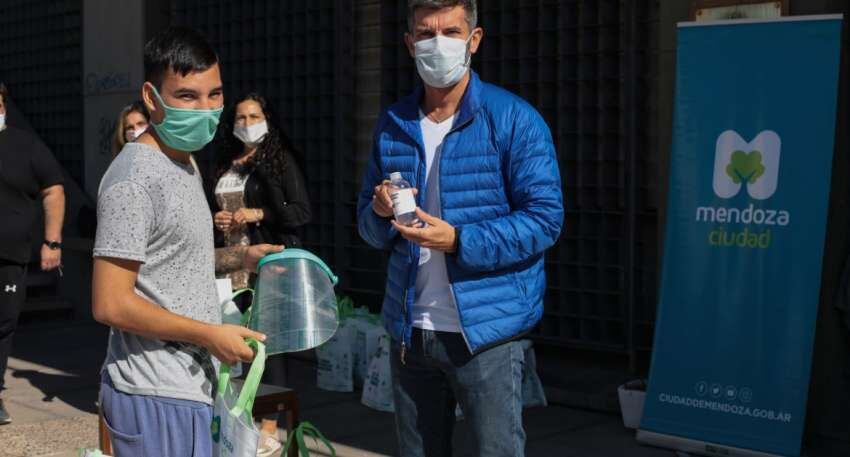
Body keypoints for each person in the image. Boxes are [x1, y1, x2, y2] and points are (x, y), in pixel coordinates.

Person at [356, 1, 564, 456]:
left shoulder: (513, 119)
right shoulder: (394, 124)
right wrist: (380, 213)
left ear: (474, 40)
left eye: (450, 31)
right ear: (410, 44)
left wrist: (459, 240)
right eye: (426, 33)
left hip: (487, 336)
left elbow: (545, 219)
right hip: (411, 333)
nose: (438, 44)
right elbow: (369, 231)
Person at [92, 27, 281, 456]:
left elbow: (170, 257)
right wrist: (209, 334)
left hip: (189, 385)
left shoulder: (184, 162)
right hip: (151, 390)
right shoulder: (133, 181)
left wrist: (241, 256)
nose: (206, 110)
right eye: (187, 97)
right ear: (150, 96)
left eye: (214, 95)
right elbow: (110, 303)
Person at [208, 93, 310, 454]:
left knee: (268, 343)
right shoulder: (224, 162)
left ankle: (269, 426)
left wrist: (258, 213)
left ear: (267, 118)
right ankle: (239, 417)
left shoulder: (278, 161)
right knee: (234, 341)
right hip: (228, 262)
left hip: (266, 260)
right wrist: (215, 217)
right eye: (241, 116)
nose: (247, 123)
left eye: (254, 115)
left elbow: (300, 212)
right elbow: (210, 205)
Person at [0, 81, 66, 425]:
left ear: (3, 105)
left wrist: (52, 242)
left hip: (9, 257)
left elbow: (54, 190)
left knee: (3, 323)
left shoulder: (25, 145)